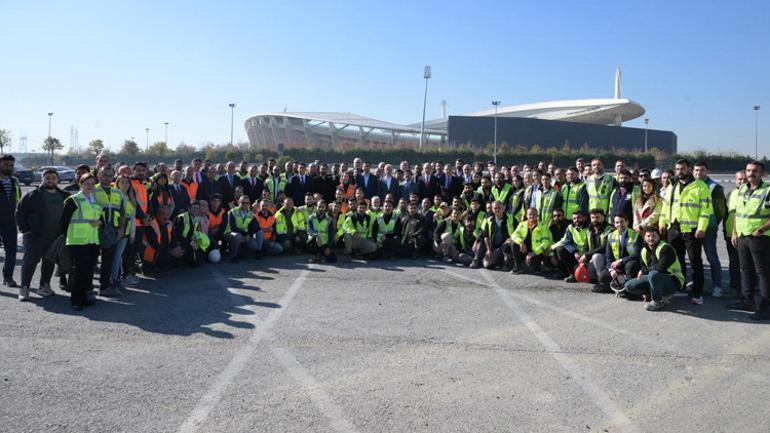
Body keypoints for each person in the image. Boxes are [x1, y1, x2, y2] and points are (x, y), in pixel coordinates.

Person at [659, 158, 712, 305]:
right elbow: (666, 206)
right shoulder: (672, 186)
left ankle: (697, 293)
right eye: (677, 169)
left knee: (695, 262)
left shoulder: (701, 187)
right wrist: (662, 222)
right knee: (676, 261)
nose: (679, 172)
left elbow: (706, 210)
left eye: (682, 169)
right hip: (673, 229)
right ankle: (680, 287)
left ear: (689, 169)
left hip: (692, 230)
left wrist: (701, 227)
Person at [16, 168, 69, 300]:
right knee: (30, 262)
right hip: (35, 235)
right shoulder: (33, 195)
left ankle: (44, 286)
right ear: (42, 179)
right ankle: (24, 288)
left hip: (55, 236)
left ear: (58, 180)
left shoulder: (64, 195)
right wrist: (25, 229)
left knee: (49, 261)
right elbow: (20, 212)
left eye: (53, 178)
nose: (50, 180)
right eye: (47, 178)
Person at [729, 160, 770, 320]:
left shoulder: (767, 191)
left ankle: (766, 307)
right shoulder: (742, 189)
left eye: (755, 171)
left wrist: (761, 229)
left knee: (763, 272)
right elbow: (738, 214)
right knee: (745, 270)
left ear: (762, 173)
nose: (751, 173)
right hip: (742, 236)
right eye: (748, 170)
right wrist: (734, 232)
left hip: (760, 237)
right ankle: (747, 301)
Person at [60, 174, 102, 310]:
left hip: (93, 240)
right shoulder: (74, 200)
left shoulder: (94, 201)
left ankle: (84, 296)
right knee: (79, 271)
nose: (90, 186)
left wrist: (100, 222)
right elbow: (63, 221)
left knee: (89, 271)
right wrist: (68, 236)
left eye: (92, 184)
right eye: (87, 183)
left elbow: (101, 219)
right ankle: (76, 300)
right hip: (77, 241)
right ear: (80, 184)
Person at [625, 227, 685, 311]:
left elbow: (661, 267)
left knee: (653, 274)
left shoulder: (666, 248)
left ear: (659, 237)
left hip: (672, 280)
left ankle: (658, 301)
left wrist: (644, 270)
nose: (651, 238)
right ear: (644, 237)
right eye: (648, 236)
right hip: (654, 278)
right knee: (629, 286)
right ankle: (652, 294)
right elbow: (643, 266)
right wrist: (643, 271)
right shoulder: (644, 250)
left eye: (654, 236)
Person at [693, 161, 727, 298]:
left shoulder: (715, 187)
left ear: (707, 171)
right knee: (695, 258)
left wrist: (711, 223)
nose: (698, 173)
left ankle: (717, 286)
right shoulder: (691, 186)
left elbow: (720, 210)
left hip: (709, 228)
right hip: (693, 227)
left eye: (701, 170)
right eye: (696, 170)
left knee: (712, 257)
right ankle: (697, 285)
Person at [94, 165, 125, 297]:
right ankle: (86, 287)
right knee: (91, 260)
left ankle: (104, 286)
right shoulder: (92, 190)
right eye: (104, 175)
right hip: (95, 230)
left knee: (108, 260)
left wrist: (121, 230)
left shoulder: (117, 192)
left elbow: (123, 213)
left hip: (112, 231)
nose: (107, 178)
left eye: (110, 175)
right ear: (98, 176)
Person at [595, 214, 642, 294]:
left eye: (622, 222)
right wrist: (611, 270)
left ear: (627, 222)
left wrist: (621, 260)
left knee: (630, 266)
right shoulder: (611, 236)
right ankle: (617, 287)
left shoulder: (635, 235)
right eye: (617, 222)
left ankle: (630, 290)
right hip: (617, 266)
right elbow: (609, 257)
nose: (619, 224)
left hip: (630, 264)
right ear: (614, 224)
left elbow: (638, 254)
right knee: (602, 277)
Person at [472, 201, 514, 270]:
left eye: (499, 208)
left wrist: (511, 239)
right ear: (492, 209)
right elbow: (485, 236)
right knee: (486, 264)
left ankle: (507, 263)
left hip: (506, 246)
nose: (497, 210)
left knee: (509, 244)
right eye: (495, 208)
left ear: (503, 208)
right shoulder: (489, 220)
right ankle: (477, 260)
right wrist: (488, 249)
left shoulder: (511, 218)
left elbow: (517, 232)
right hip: (494, 247)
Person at [723, 170, 746, 296]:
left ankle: (752, 289)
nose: (742, 181)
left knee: (748, 264)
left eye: (744, 179)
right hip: (729, 234)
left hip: (745, 233)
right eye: (740, 179)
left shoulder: (751, 193)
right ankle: (734, 288)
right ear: (735, 180)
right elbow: (727, 213)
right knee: (734, 263)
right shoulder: (731, 194)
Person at [510, 207, 554, 274]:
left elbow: (546, 242)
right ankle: (518, 267)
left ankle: (538, 266)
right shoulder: (522, 224)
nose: (532, 216)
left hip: (537, 253)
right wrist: (521, 242)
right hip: (524, 250)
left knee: (531, 265)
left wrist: (534, 253)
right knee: (513, 243)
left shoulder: (543, 226)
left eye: (534, 214)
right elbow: (514, 235)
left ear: (537, 216)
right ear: (526, 215)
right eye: (530, 214)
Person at [0, 154, 21, 288]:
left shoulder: (15, 181)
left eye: (11, 165)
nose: (9, 167)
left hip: (10, 223)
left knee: (11, 251)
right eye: (6, 165)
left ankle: (8, 277)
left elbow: (18, 201)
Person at [142, 205, 184, 271]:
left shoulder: (169, 223)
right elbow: (155, 245)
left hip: (164, 249)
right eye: (163, 214)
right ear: (158, 215)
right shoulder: (151, 225)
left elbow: (173, 239)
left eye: (168, 214)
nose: (166, 217)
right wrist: (170, 251)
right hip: (150, 254)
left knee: (181, 253)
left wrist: (177, 248)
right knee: (166, 258)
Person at [113, 175, 136, 289]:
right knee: (115, 257)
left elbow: (132, 218)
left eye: (127, 182)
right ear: (117, 184)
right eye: (122, 182)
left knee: (120, 256)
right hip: (116, 231)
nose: (125, 184)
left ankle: (117, 279)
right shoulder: (115, 195)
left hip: (126, 232)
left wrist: (132, 234)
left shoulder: (130, 198)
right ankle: (114, 279)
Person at [552, 210, 590, 282]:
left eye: (579, 218)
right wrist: (574, 252)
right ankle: (572, 274)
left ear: (584, 218)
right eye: (574, 218)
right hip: (577, 255)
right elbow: (566, 242)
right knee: (560, 249)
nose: (576, 220)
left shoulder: (590, 228)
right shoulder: (570, 227)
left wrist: (586, 254)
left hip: (587, 255)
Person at [226, 195, 260, 262]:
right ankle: (233, 255)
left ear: (249, 204)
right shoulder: (232, 212)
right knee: (237, 236)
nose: (245, 204)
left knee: (255, 245)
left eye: (247, 203)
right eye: (243, 202)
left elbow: (255, 227)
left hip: (244, 235)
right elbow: (233, 228)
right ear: (239, 203)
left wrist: (249, 235)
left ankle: (257, 251)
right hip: (230, 234)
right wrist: (245, 234)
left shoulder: (251, 213)